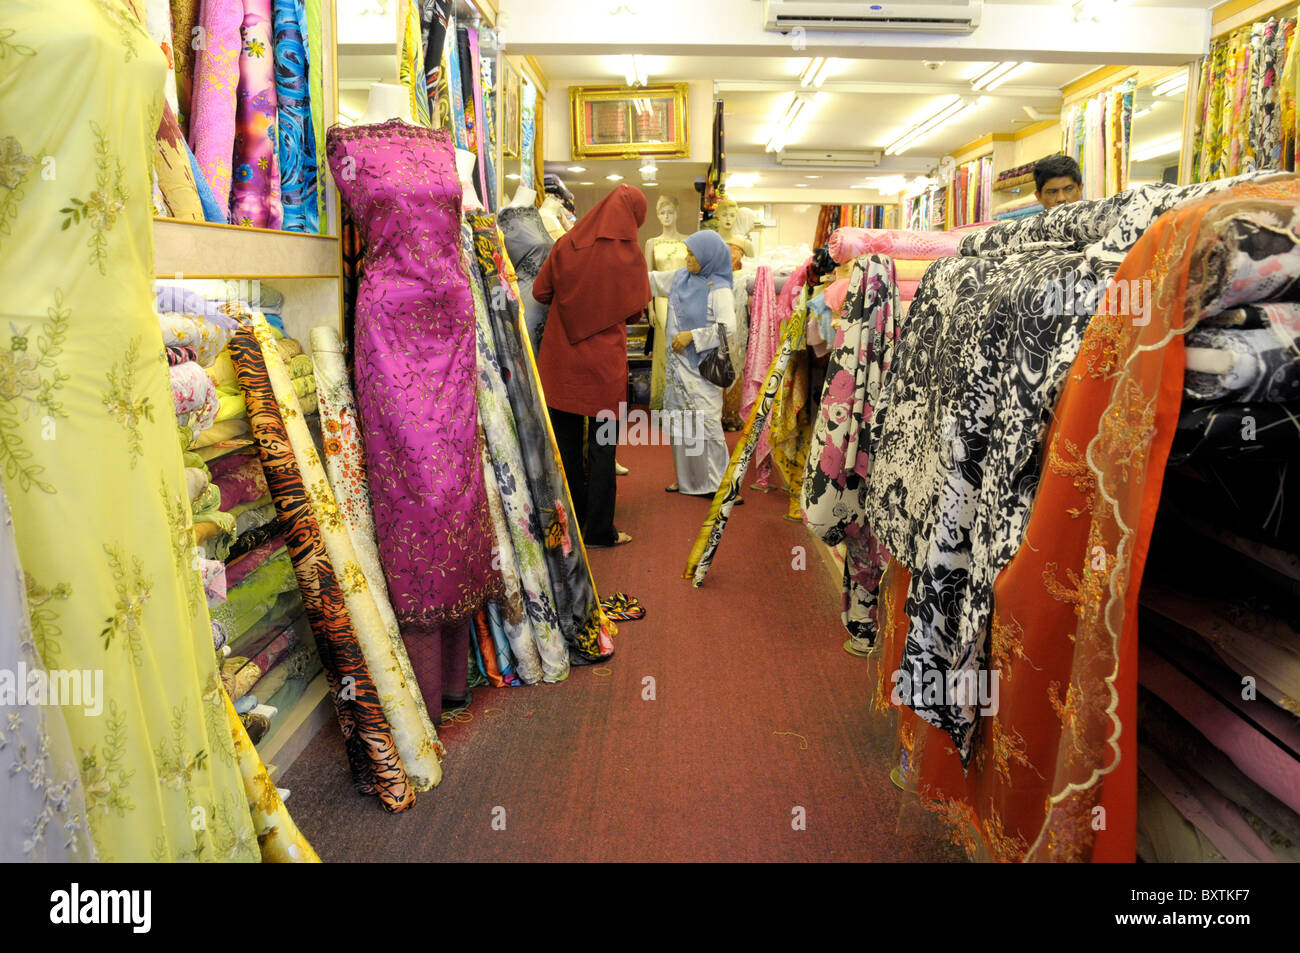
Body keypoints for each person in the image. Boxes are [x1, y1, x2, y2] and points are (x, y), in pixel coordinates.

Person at [533, 184, 651, 547]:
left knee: (566, 449)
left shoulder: (566, 244)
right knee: (603, 450)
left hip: (562, 361)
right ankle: (600, 530)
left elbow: (540, 292)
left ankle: (569, 525)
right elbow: (634, 312)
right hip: (604, 365)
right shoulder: (631, 258)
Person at [650, 230, 742, 502]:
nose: (687, 259)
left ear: (708, 257)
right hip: (678, 369)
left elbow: (728, 327)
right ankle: (689, 478)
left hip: (701, 367)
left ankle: (720, 484)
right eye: (687, 253)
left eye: (693, 255)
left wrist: (693, 336)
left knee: (706, 423)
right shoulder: (681, 278)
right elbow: (651, 282)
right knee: (681, 423)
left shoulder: (719, 288)